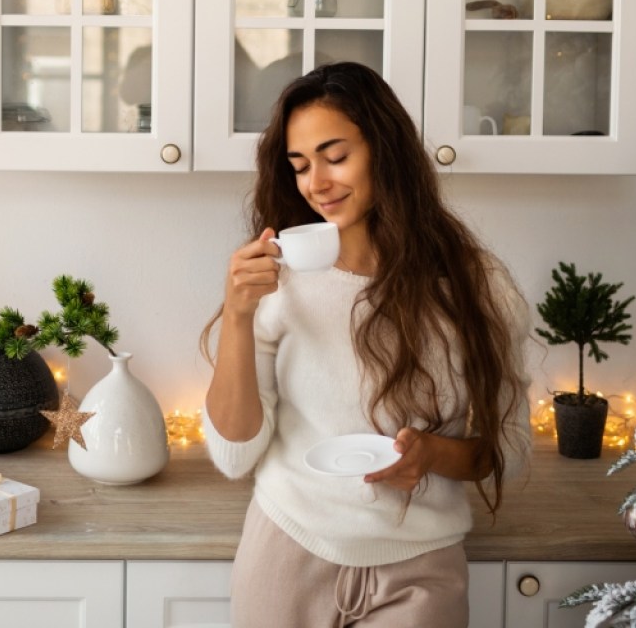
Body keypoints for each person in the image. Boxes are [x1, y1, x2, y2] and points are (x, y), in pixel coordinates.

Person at [200, 62, 531, 628]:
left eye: (336, 156)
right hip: (288, 548)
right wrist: (237, 315)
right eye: (300, 165)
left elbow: (510, 450)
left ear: (385, 149)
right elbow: (234, 456)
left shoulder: (477, 286)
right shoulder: (277, 281)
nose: (316, 183)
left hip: (421, 570)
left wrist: (431, 455)